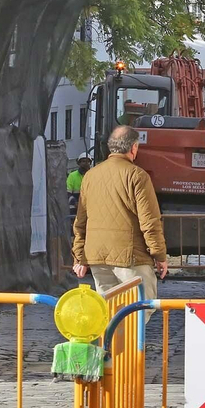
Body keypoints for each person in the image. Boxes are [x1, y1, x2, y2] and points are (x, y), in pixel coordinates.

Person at [72, 126, 168, 302]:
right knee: (139, 310)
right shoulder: (137, 176)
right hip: (130, 257)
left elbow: (80, 222)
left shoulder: (90, 176)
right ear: (133, 148)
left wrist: (80, 256)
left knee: (108, 312)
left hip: (97, 257)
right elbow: (150, 222)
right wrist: (159, 255)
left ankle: (111, 331)